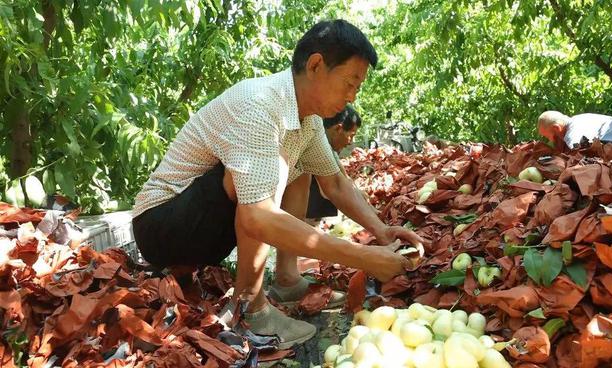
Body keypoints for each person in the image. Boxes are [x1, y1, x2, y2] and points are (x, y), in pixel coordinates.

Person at [131, 19, 424, 349]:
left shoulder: (308, 121)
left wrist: (383, 232)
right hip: (161, 224)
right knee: (263, 175)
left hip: (202, 229)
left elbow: (337, 184)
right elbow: (257, 216)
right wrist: (362, 257)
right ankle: (250, 311)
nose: (353, 95)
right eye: (349, 82)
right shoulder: (260, 104)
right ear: (315, 65)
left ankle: (286, 279)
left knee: (299, 165)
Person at [304, 105, 376, 223]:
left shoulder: (329, 147)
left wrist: (360, 197)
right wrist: (374, 221)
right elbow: (336, 187)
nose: (350, 143)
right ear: (338, 129)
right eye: (351, 136)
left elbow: (343, 177)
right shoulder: (316, 145)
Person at [537, 111, 612, 157]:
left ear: (557, 128)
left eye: (549, 136)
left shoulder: (572, 134)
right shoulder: (580, 119)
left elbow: (581, 158)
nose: (552, 141)